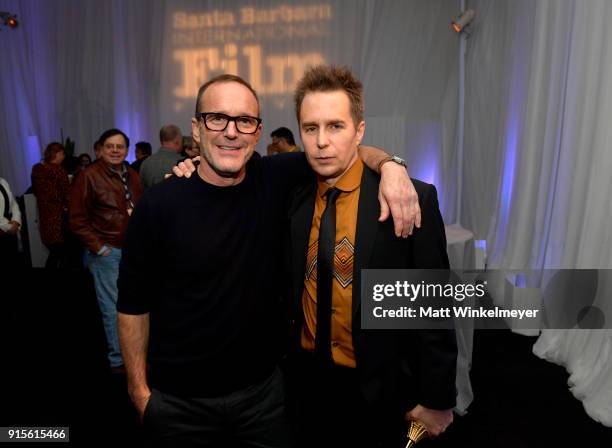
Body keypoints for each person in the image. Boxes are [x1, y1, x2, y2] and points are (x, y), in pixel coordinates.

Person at [117, 73, 420, 447]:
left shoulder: (274, 177)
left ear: (257, 132)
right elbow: (132, 306)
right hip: (180, 404)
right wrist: (139, 394)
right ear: (196, 128)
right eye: (217, 118)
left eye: (244, 121)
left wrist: (392, 166)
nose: (231, 131)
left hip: (264, 399)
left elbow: (346, 151)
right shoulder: (158, 205)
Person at [284, 65, 457, 447]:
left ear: (359, 131)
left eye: (336, 126)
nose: (321, 142)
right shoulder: (293, 198)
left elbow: (432, 310)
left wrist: (437, 398)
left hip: (382, 391)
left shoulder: (409, 199)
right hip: (306, 386)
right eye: (310, 128)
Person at [69, 128, 143, 373]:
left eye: (120, 146)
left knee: (134, 305)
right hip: (108, 252)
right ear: (100, 149)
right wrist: (99, 248)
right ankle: (118, 360)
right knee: (112, 308)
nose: (115, 150)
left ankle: (136, 354)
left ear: (126, 150)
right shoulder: (88, 176)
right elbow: (77, 219)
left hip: (132, 251)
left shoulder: (132, 174)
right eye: (109, 146)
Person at [31, 143, 74, 268]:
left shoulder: (37, 169)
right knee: (62, 254)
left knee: (54, 253)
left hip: (45, 217)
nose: (63, 157)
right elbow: (67, 194)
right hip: (59, 218)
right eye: (62, 154)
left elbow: (36, 190)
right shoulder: (59, 170)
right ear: (57, 154)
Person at [0, 176, 22, 268]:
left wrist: (16, 221)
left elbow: (14, 204)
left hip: (10, 231)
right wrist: (8, 227)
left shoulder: (3, 181)